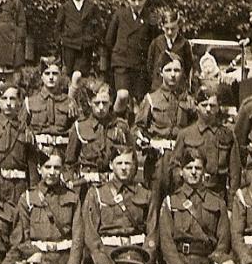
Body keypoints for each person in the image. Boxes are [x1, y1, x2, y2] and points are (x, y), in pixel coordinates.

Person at [158, 149, 230, 264]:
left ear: (204, 171)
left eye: (198, 168)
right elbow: (166, 241)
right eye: (189, 167)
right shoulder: (171, 202)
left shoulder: (217, 202)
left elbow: (223, 241)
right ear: (181, 171)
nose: (193, 172)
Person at [0, 153, 83, 264]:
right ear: (39, 169)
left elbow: (78, 237)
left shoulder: (72, 198)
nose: (52, 172)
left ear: (62, 169)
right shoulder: (27, 198)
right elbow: (22, 239)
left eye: (57, 168)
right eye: (48, 167)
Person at [82, 145, 157, 264]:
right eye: (119, 163)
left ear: (135, 166)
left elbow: (153, 232)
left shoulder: (146, 194)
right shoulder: (97, 193)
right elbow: (90, 234)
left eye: (128, 163)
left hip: (136, 259)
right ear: (111, 165)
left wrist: (144, 262)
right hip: (108, 259)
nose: (124, 168)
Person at [135, 54, 195, 188]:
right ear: (161, 72)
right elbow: (138, 129)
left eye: (177, 70)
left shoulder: (189, 101)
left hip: (181, 157)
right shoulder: (151, 99)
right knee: (154, 202)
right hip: (158, 158)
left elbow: (195, 128)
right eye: (168, 70)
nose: (173, 75)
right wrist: (143, 141)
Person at [171, 85, 241, 198]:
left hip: (218, 194)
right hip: (191, 193)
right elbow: (175, 165)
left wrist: (231, 205)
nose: (208, 109)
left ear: (218, 108)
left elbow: (235, 173)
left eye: (212, 106)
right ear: (197, 106)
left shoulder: (227, 135)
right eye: (204, 105)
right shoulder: (185, 134)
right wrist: (182, 191)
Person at [65, 81, 132, 196]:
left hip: (113, 185)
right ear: (90, 102)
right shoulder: (80, 126)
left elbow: (132, 158)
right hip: (86, 186)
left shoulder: (120, 127)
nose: (101, 107)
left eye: (105, 103)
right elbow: (70, 162)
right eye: (97, 103)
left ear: (111, 102)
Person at [103, 0, 157, 107]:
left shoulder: (151, 17)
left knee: (139, 101)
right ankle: (116, 120)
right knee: (122, 95)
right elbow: (109, 40)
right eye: (133, 0)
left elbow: (154, 42)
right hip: (122, 62)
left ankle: (135, 125)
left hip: (140, 65)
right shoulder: (120, 14)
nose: (137, 4)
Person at [0, 83, 34, 203]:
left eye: (12, 98)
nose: (8, 103)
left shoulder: (26, 131)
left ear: (19, 103)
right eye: (4, 98)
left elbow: (32, 168)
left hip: (19, 189)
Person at [25, 58, 77, 162]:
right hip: (37, 152)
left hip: (62, 152)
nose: (51, 77)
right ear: (42, 77)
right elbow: (20, 125)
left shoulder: (69, 102)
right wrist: (27, 129)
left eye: (55, 74)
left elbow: (79, 127)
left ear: (61, 77)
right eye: (47, 73)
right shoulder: (30, 102)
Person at [54, 0, 95, 81]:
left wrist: (91, 39)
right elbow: (58, 27)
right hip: (69, 47)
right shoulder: (65, 7)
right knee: (69, 76)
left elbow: (97, 26)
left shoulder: (91, 7)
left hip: (85, 48)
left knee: (81, 76)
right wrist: (61, 41)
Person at [146, 9, 194, 93]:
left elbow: (188, 66)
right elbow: (150, 65)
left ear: (178, 26)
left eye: (173, 28)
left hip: (178, 86)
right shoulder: (156, 42)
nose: (169, 32)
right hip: (159, 86)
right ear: (162, 26)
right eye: (167, 28)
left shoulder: (184, 44)